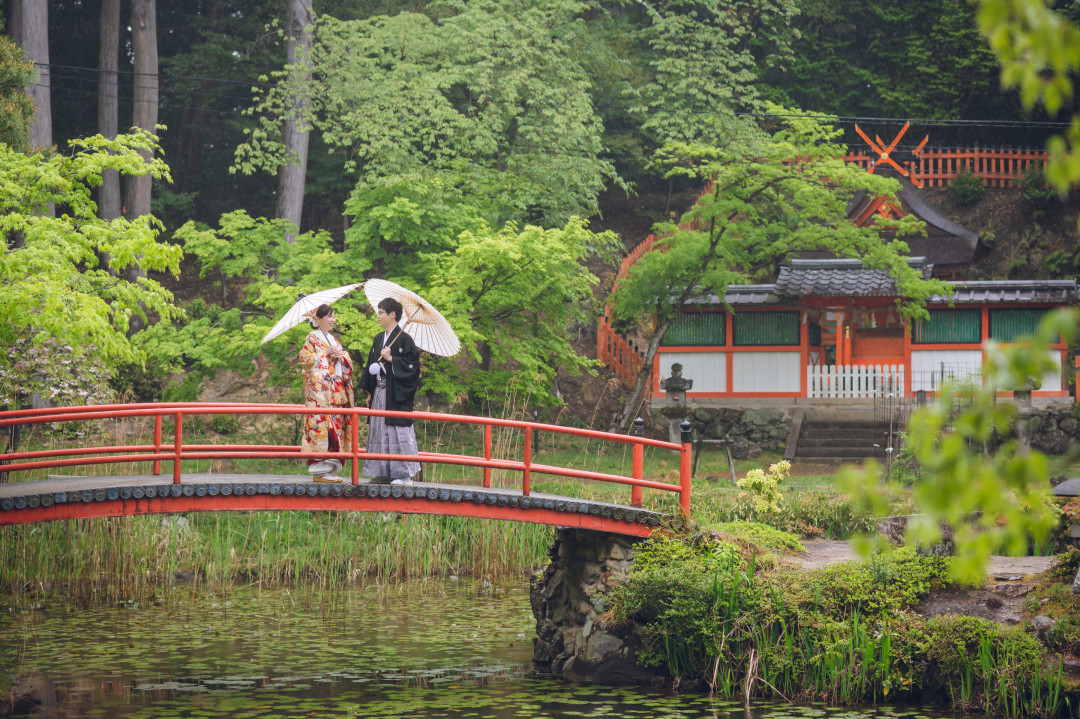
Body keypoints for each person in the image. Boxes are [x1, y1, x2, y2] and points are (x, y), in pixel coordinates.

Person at [359, 297, 421, 484]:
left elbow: (413, 368)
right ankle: (383, 471)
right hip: (379, 392)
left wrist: (393, 359)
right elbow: (370, 365)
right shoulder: (379, 338)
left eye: (381, 312)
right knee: (379, 430)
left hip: (396, 395)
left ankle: (403, 474)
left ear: (392, 314)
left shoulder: (405, 340)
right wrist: (370, 392)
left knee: (397, 433)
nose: (378, 316)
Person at [298, 304, 354, 482]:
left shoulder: (334, 340)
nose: (333, 320)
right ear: (318, 319)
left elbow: (345, 364)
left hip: (337, 392)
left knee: (336, 430)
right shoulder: (312, 338)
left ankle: (330, 469)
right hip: (321, 395)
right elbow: (305, 360)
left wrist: (341, 357)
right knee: (324, 429)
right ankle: (320, 470)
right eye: (329, 316)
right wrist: (325, 353)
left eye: (334, 316)